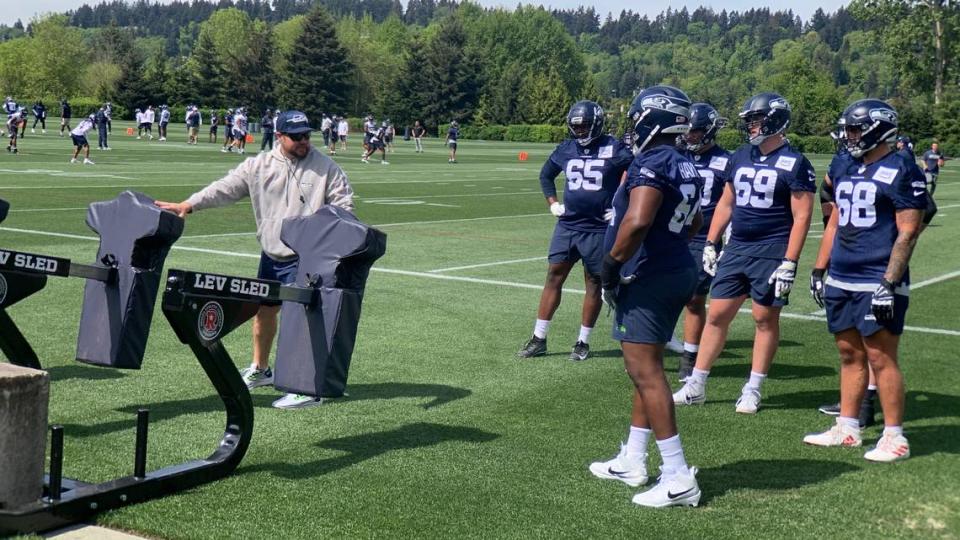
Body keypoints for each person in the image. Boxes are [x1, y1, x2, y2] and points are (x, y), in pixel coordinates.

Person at [155, 110, 354, 410]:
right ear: (279, 136)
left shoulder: (326, 167)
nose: (304, 142)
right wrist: (188, 204)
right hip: (272, 254)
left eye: (306, 136)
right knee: (264, 312)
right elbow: (224, 188)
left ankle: (308, 387)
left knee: (302, 322)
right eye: (296, 136)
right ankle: (261, 369)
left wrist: (330, 239)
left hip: (309, 257)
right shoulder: (257, 166)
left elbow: (344, 205)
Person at [589, 85, 703, 508]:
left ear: (655, 118)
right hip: (675, 268)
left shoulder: (653, 161)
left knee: (645, 372)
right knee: (645, 368)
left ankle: (676, 475)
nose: (632, 123)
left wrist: (612, 267)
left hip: (651, 275)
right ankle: (634, 459)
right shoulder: (684, 162)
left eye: (637, 116)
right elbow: (697, 220)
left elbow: (636, 222)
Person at [672, 93, 815, 414]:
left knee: (764, 319)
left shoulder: (795, 162)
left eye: (756, 120)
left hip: (772, 249)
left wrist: (790, 261)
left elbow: (803, 216)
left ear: (775, 120)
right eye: (749, 121)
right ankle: (696, 383)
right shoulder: (740, 156)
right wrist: (711, 241)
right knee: (718, 314)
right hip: (737, 249)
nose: (751, 127)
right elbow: (727, 202)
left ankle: (753, 387)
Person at [804, 99, 925, 462]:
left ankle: (894, 436)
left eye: (855, 129)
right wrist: (819, 268)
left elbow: (908, 231)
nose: (849, 136)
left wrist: (890, 281)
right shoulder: (844, 164)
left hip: (877, 275)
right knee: (848, 353)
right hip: (843, 273)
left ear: (877, 129)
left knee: (881, 356)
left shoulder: (902, 168)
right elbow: (835, 219)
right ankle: (847, 427)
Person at [517, 100, 632, 361]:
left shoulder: (614, 147)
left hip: (599, 228)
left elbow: (637, 174)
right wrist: (553, 203)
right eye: (576, 127)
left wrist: (621, 206)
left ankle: (583, 341)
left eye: (585, 126)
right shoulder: (566, 148)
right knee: (553, 277)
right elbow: (546, 175)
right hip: (568, 225)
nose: (580, 131)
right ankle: (539, 338)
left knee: (594, 282)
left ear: (597, 124)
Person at [674, 103, 731, 381]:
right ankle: (654, 343)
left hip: (704, 237)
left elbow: (732, 202)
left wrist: (726, 232)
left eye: (695, 132)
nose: (690, 137)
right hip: (673, 234)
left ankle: (689, 355)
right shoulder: (677, 156)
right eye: (687, 132)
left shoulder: (726, 161)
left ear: (708, 131)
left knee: (695, 299)